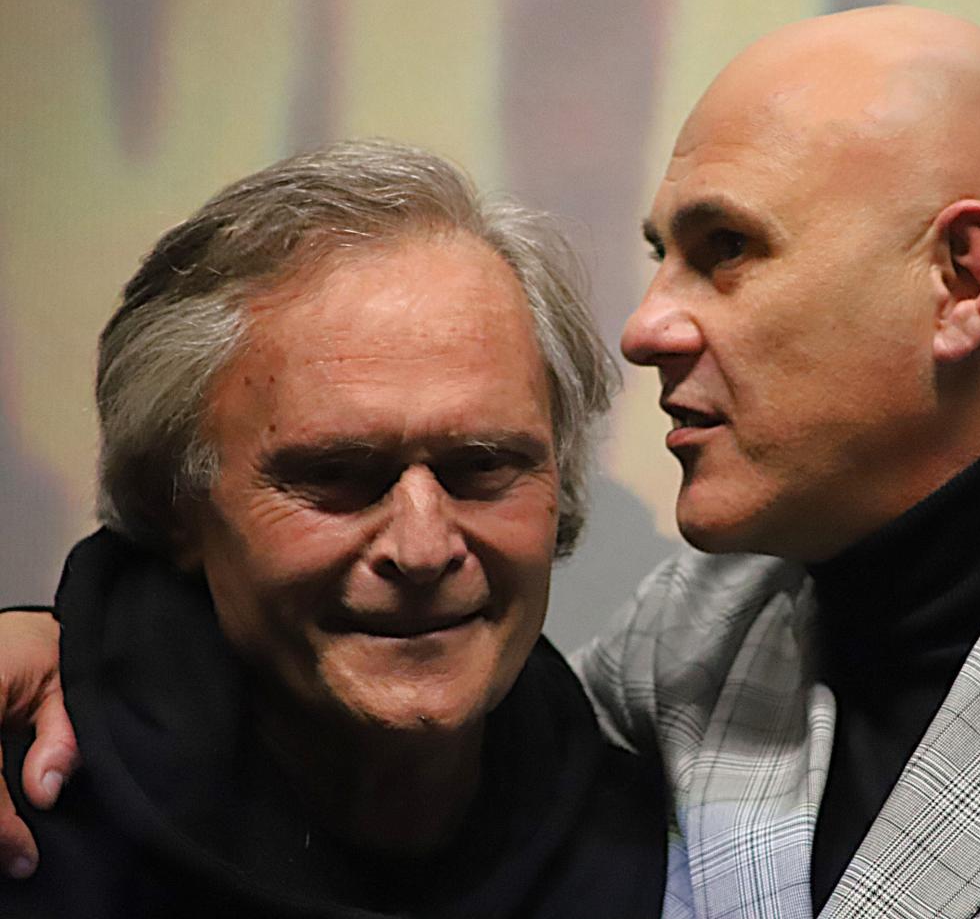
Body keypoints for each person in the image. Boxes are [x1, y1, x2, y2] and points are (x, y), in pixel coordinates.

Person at [4, 6, 980, 916]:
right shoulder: (692, 640)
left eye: (724, 251)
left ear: (962, 281)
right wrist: (70, 642)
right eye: (663, 253)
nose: (647, 324)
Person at [0, 140, 665, 916]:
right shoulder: (26, 833)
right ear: (172, 503)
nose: (422, 549)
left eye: (482, 465)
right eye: (336, 475)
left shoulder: (658, 853)